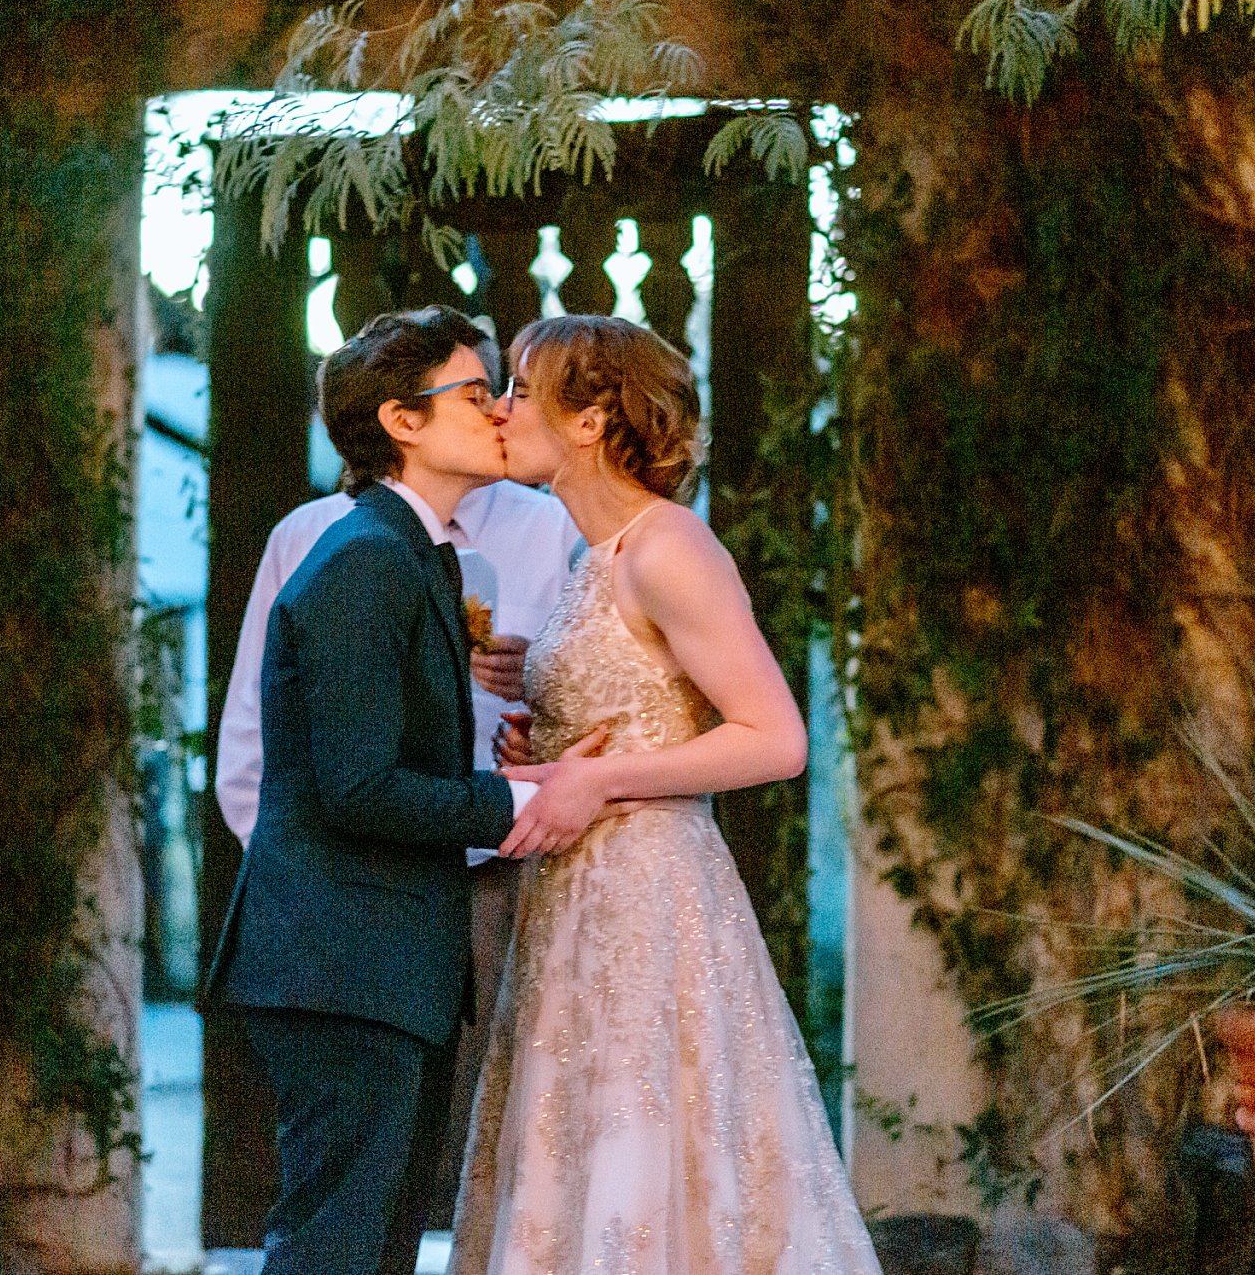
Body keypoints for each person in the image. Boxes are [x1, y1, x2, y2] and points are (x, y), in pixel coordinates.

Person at [449, 314, 883, 1274]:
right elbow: (638, 697)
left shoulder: (669, 546)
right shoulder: (584, 562)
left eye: (521, 387)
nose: (502, 409)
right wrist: (545, 740)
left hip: (651, 899)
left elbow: (776, 738)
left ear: (593, 418)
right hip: (570, 901)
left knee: (652, 1154)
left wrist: (598, 776)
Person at [201, 306, 612, 1275]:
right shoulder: (361, 561)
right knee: (333, 1250)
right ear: (400, 421)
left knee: (375, 1250)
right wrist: (520, 803)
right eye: (475, 394)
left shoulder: (403, 554)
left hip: (383, 967)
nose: (500, 411)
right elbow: (357, 788)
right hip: (344, 966)